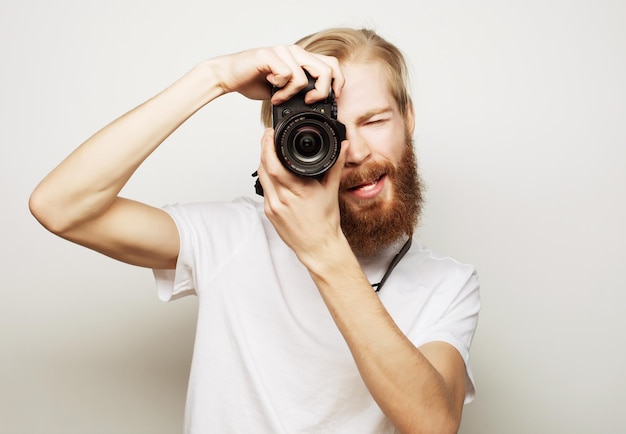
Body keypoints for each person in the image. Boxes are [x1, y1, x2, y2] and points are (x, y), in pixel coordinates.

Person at [29, 27, 480, 434]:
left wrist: (324, 250)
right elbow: (61, 207)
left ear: (409, 119)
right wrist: (214, 77)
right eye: (331, 130)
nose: (356, 152)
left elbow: (433, 425)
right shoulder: (235, 235)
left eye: (375, 121)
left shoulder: (447, 285)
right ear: (286, 141)